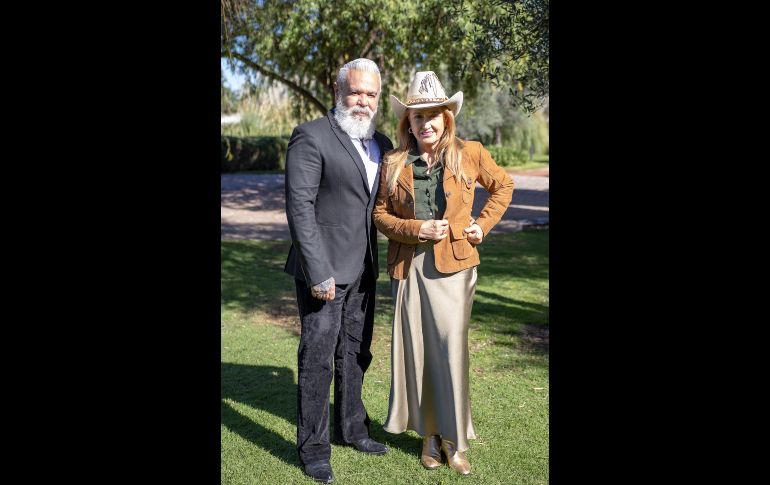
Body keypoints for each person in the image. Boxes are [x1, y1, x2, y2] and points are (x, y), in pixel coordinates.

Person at [373, 71, 514, 475]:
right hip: (409, 267)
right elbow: (380, 215)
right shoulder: (394, 162)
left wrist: (480, 227)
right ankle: (429, 438)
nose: (427, 123)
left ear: (446, 118)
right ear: (409, 123)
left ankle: (455, 442)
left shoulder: (469, 153)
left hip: (455, 270)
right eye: (418, 117)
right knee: (418, 354)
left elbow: (503, 186)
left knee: (450, 352)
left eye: (434, 115)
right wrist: (416, 228)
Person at [284, 58, 394, 484]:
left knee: (355, 353)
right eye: (355, 92)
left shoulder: (381, 143)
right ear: (338, 91)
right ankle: (313, 449)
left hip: (364, 269)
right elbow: (300, 209)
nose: (362, 101)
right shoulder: (310, 136)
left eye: (370, 94)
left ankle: (352, 428)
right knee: (318, 359)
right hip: (324, 273)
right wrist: (318, 272)